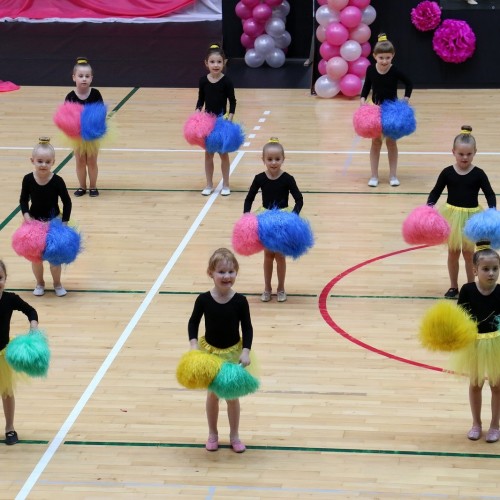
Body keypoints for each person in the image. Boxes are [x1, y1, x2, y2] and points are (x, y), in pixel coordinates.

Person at [188, 248, 253, 453]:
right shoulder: (203, 300)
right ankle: (212, 433)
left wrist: (246, 351)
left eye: (231, 272)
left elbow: (247, 327)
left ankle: (234, 435)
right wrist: (193, 346)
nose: (227, 276)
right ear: (211, 273)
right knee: (213, 395)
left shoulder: (240, 301)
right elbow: (193, 323)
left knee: (232, 397)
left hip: (232, 354)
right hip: (210, 354)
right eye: (222, 272)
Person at [427, 126, 496, 299]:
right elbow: (436, 191)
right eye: (461, 154)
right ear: (453, 152)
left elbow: (489, 192)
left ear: (474, 153)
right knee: (453, 253)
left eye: (468, 154)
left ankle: (471, 286)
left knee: (469, 254)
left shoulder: (479, 174)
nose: (464, 158)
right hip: (452, 217)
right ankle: (453, 287)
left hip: (471, 219)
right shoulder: (447, 172)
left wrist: (492, 210)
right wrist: (429, 206)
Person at [243, 138, 303, 303]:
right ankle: (267, 288)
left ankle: (281, 288)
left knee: (280, 256)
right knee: (268, 255)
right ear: (263, 160)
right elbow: (249, 198)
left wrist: (293, 216)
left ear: (283, 159)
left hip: (283, 220)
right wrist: (246, 216)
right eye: (269, 159)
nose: (274, 162)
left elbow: (299, 199)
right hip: (266, 220)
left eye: (277, 159)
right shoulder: (259, 178)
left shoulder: (288, 179)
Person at [452, 242, 500, 443]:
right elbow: (459, 317)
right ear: (474, 270)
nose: (491, 273)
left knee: (497, 385)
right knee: (475, 384)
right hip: (474, 344)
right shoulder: (467, 290)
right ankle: (476, 424)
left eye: (495, 269)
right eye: (486, 269)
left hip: (497, 344)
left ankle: (495, 425)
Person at [19, 137, 72, 297]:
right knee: (36, 258)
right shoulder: (28, 179)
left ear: (53, 162)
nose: (43, 165)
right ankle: (40, 283)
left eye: (47, 162)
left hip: (54, 223)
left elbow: (67, 202)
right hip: (34, 223)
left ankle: (57, 283)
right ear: (32, 160)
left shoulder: (57, 181)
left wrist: (64, 222)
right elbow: (23, 200)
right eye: (40, 161)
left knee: (55, 259)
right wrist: (26, 215)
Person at [360, 33, 413, 188]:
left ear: (393, 56)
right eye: (381, 57)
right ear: (375, 56)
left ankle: (393, 176)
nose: (384, 61)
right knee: (376, 142)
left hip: (392, 112)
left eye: (388, 58)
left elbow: (409, 83)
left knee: (391, 143)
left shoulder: (395, 71)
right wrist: (363, 100)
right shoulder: (370, 70)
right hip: (375, 111)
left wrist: (406, 99)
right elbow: (366, 87)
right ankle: (374, 176)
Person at [0, 260, 39, 445]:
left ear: (5, 279)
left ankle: (9, 428)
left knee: (7, 392)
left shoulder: (10, 299)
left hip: (2, 355)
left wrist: (33, 327)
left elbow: (30, 311)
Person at [196, 43, 237, 197]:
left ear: (224, 63)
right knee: (208, 154)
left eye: (219, 62)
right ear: (206, 63)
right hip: (208, 123)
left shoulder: (227, 82)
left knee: (223, 154)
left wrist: (230, 118)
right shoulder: (203, 81)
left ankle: (226, 184)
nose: (216, 65)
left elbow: (232, 101)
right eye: (212, 62)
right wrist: (197, 111)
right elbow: (200, 100)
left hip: (222, 122)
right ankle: (209, 184)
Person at [65, 57, 104, 197]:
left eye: (87, 76)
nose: (84, 79)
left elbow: (101, 113)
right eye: (80, 76)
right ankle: (82, 186)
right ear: (74, 77)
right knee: (80, 161)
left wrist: (93, 124)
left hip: (92, 133)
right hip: (77, 135)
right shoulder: (70, 96)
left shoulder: (95, 94)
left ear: (91, 78)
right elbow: (66, 117)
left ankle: (93, 186)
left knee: (92, 161)